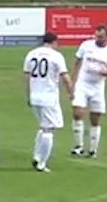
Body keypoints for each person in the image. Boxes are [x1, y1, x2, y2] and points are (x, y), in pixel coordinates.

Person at [23, 31, 72, 173]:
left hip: (35, 97)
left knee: (43, 126)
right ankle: (42, 163)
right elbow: (65, 77)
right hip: (48, 97)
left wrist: (28, 96)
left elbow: (26, 77)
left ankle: (37, 156)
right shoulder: (56, 56)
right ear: (54, 42)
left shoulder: (31, 54)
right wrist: (71, 93)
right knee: (49, 130)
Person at [70, 23, 107, 157]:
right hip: (83, 83)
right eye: (96, 36)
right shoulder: (86, 45)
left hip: (98, 87)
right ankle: (78, 146)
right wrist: (72, 83)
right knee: (77, 112)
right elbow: (76, 62)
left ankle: (92, 149)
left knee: (95, 118)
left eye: (101, 37)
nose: (98, 38)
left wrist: (105, 71)